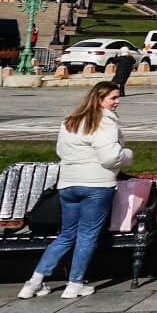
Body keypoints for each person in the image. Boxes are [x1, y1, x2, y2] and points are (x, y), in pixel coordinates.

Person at [19, 81, 132, 301]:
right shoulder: (105, 122)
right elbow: (110, 157)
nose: (117, 102)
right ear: (100, 99)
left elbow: (61, 150)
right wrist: (127, 155)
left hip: (69, 184)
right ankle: (75, 283)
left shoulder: (70, 121)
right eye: (113, 98)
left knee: (66, 235)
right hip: (96, 185)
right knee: (87, 234)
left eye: (118, 97)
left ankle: (33, 282)